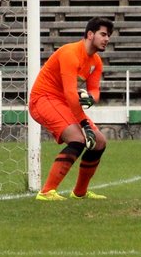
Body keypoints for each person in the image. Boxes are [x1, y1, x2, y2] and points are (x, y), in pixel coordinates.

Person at [30, 17, 114, 201]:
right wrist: (84, 124)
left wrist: (91, 98)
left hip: (63, 102)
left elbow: (95, 91)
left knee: (99, 142)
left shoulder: (96, 61)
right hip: (43, 99)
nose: (107, 39)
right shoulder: (70, 53)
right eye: (103, 34)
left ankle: (79, 193)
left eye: (108, 35)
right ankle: (46, 192)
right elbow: (70, 93)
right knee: (78, 139)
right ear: (90, 34)